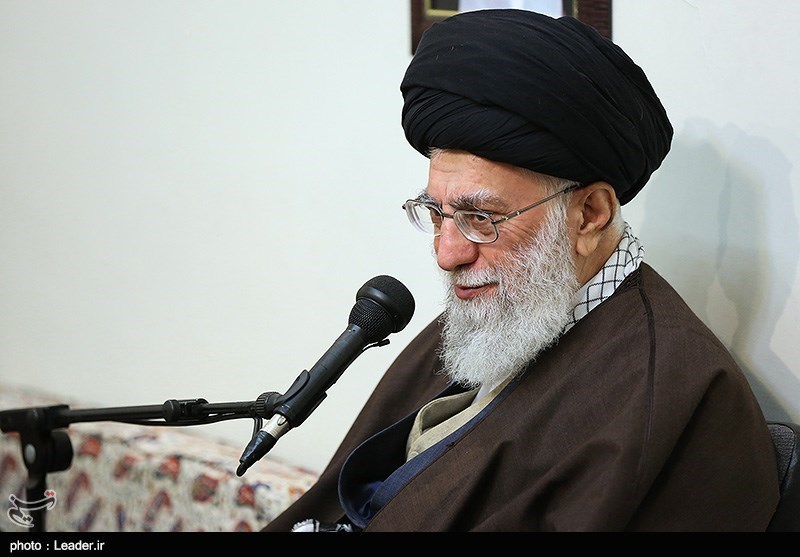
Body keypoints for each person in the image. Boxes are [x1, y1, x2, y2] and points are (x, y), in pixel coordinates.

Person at [262, 9, 780, 532]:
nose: (447, 254)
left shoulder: (668, 391)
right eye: (437, 214)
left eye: (480, 218)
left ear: (590, 214)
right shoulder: (492, 312)